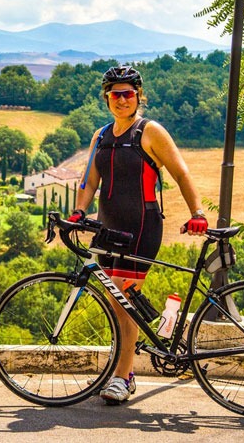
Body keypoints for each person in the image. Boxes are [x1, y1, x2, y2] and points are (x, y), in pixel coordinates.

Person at [68, 65, 208, 405]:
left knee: (123, 301)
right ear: (106, 98)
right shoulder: (101, 136)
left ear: (138, 96)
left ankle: (123, 376)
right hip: (108, 226)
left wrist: (198, 213)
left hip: (142, 226)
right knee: (118, 304)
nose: (121, 100)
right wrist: (77, 213)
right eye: (115, 94)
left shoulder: (150, 132)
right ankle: (128, 362)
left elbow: (181, 172)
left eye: (128, 94)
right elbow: (89, 182)